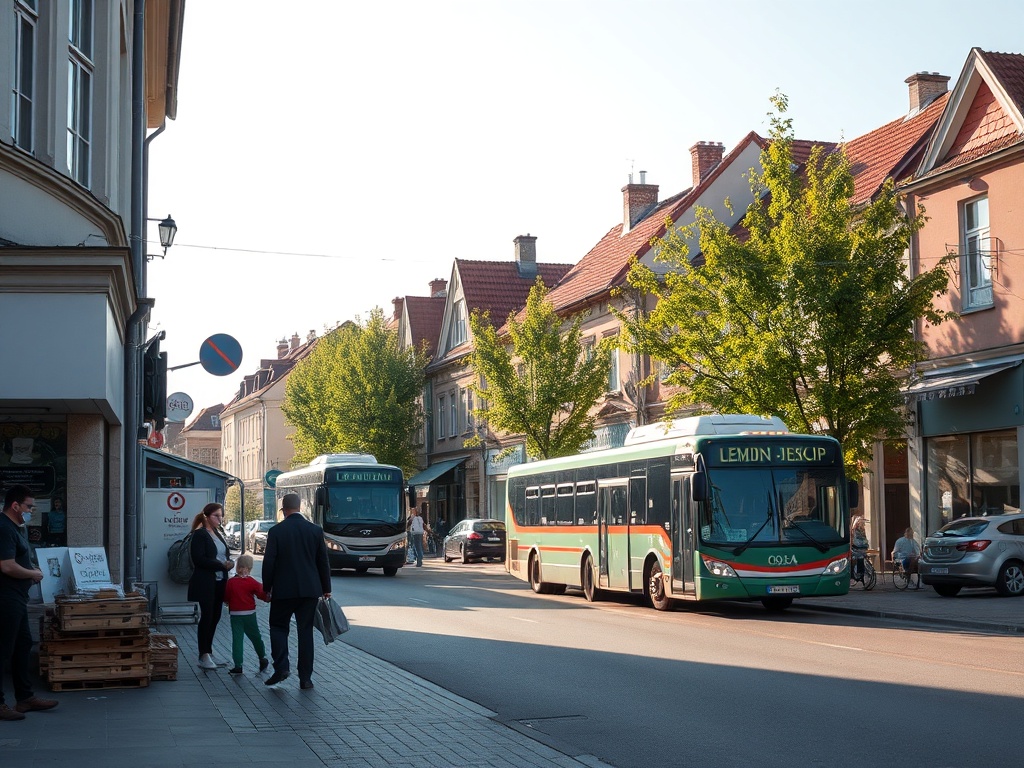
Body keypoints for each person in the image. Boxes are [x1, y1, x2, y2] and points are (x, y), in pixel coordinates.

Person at [0, 484, 58, 721]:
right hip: (5, 598)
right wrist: (32, 574)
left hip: (17, 597)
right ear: (15, 506)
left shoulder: (15, 528)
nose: (31, 511)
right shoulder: (4, 528)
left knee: (23, 644)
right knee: (3, 650)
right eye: (28, 507)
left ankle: (25, 698)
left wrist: (30, 570)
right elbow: (6, 565)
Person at [262, 493, 331, 690]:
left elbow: (269, 563)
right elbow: (322, 562)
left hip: (283, 591)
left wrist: (267, 588)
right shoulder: (315, 531)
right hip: (309, 590)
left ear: (283, 510)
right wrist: (326, 589)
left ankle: (282, 667)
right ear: (300, 507)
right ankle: (305, 678)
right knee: (305, 632)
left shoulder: (276, 531)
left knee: (278, 627)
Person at [187, 503, 234, 670]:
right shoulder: (200, 535)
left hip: (220, 581)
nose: (219, 519)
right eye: (216, 516)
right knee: (207, 616)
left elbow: (224, 554)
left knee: (215, 616)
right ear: (207, 516)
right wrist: (221, 565)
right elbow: (199, 559)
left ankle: (209, 651)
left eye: (221, 516)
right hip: (206, 582)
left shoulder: (218, 534)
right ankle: (203, 654)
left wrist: (230, 562)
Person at [223, 553, 270, 675]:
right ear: (250, 568)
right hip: (250, 614)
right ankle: (262, 657)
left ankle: (238, 665)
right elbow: (262, 594)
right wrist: (268, 597)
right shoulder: (252, 582)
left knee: (237, 639)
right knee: (256, 637)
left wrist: (227, 602)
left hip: (235, 614)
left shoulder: (231, 582)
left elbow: (226, 596)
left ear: (237, 567)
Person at [850, 516, 869, 582]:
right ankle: (856, 573)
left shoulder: (861, 530)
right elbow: (855, 539)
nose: (863, 525)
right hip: (858, 547)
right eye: (862, 523)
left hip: (860, 547)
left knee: (859, 558)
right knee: (856, 558)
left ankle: (859, 573)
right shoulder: (855, 530)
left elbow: (863, 538)